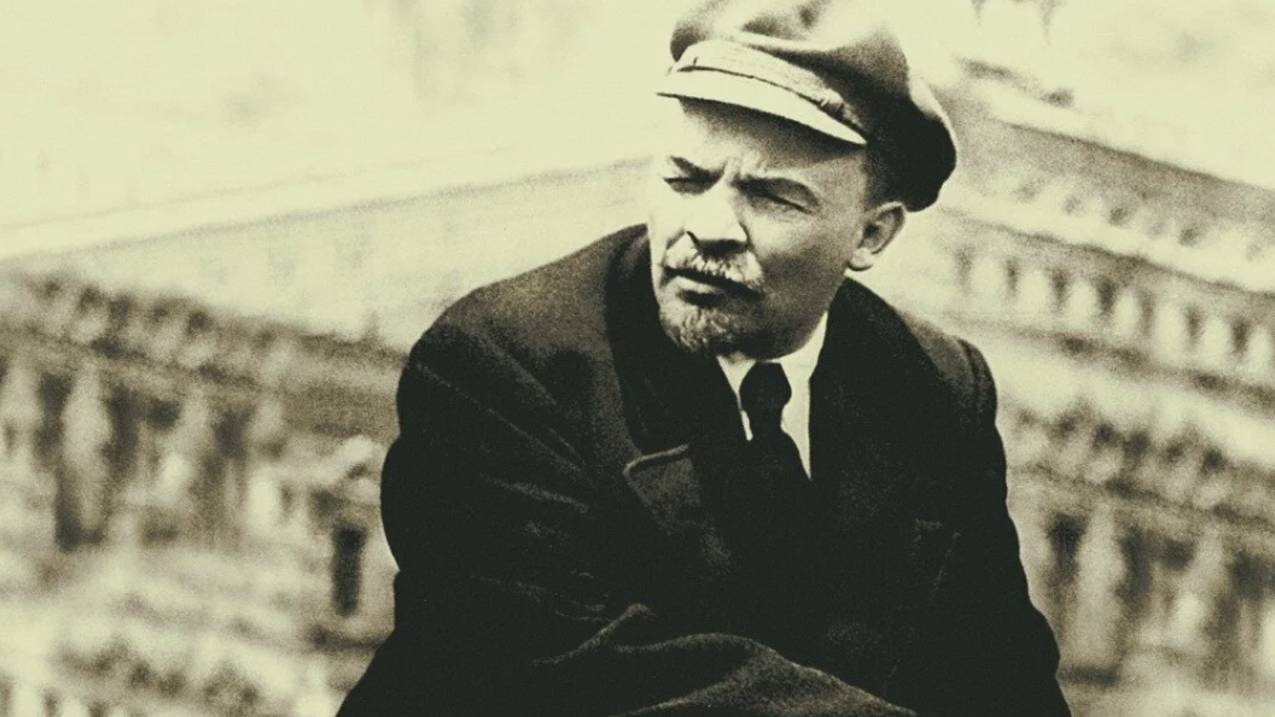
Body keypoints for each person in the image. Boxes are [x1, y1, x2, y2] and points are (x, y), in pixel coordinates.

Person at [340, 0, 1069, 714]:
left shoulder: (932, 385)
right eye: (685, 179)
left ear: (871, 235)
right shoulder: (501, 362)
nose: (708, 226)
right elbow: (573, 668)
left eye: (772, 196)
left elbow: (996, 668)